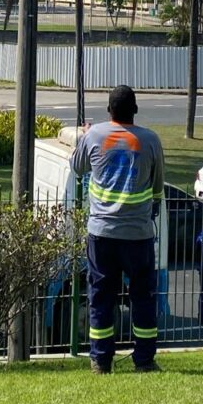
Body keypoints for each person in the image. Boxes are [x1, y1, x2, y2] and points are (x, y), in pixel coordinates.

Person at [70, 84, 165, 374]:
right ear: (135, 110)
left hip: (102, 234)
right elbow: (157, 186)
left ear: (109, 110)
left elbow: (77, 167)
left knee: (101, 295)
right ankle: (145, 360)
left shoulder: (95, 135)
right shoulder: (150, 140)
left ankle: (101, 360)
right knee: (143, 297)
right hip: (138, 235)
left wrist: (85, 135)